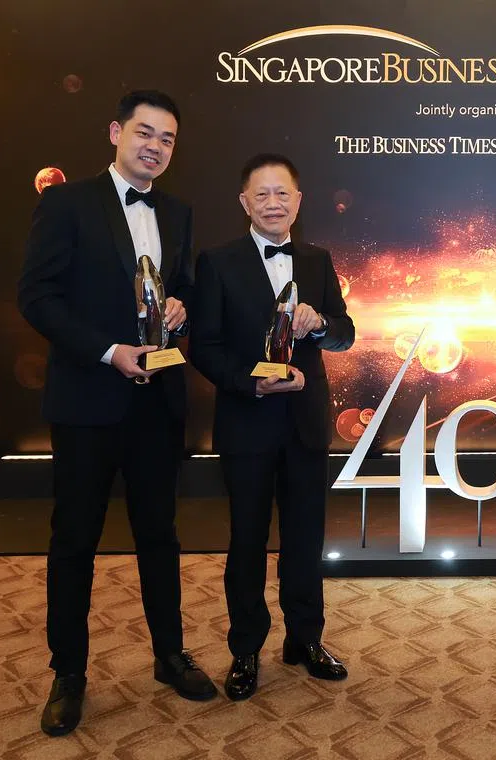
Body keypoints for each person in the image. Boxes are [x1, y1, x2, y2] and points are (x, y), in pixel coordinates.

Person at [18, 90, 216, 737]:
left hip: (157, 403)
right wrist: (108, 351)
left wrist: (182, 304)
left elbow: (178, 287)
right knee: (74, 539)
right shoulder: (67, 203)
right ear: (115, 133)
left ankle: (168, 655)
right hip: (87, 401)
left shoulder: (180, 212)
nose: (155, 146)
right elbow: (37, 297)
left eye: (167, 139)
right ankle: (68, 674)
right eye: (144, 133)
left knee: (159, 535)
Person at [190, 153, 354, 701]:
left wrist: (323, 322)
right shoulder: (216, 262)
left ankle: (305, 641)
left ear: (298, 201)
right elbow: (204, 347)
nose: (274, 203)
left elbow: (345, 334)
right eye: (262, 194)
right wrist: (247, 382)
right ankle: (245, 650)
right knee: (247, 543)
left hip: (306, 424)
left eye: (282, 193)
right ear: (244, 202)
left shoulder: (318, 259)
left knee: (306, 541)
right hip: (247, 425)